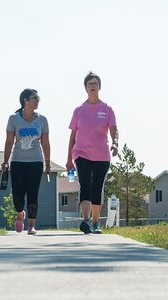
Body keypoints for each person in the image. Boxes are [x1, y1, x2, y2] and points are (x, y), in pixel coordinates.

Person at [66, 71, 119, 234]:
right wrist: (69, 159)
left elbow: (114, 129)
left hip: (102, 155)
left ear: (100, 87)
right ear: (85, 88)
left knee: (97, 188)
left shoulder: (107, 109)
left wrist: (115, 143)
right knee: (85, 185)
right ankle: (86, 220)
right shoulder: (79, 110)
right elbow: (73, 136)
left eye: (95, 83)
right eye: (90, 84)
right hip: (81, 154)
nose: (93, 86)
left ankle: (96, 223)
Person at [3, 88, 51, 235]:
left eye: (38, 98)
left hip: (36, 161)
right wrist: (5, 161)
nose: (37, 101)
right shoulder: (14, 119)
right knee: (17, 194)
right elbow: (9, 140)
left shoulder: (42, 120)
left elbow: (45, 143)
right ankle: (20, 213)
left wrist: (47, 163)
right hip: (17, 161)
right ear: (25, 100)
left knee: (33, 193)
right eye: (34, 98)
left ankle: (31, 225)